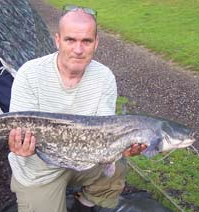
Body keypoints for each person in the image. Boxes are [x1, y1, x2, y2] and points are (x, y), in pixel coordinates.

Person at [8, 5, 146, 212]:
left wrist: (121, 146)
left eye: (86, 41)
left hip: (87, 161)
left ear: (96, 43)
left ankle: (84, 204)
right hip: (39, 169)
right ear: (57, 40)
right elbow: (17, 129)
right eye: (70, 40)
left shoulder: (105, 77)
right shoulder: (30, 74)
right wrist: (20, 145)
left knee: (116, 166)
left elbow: (105, 135)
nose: (78, 50)